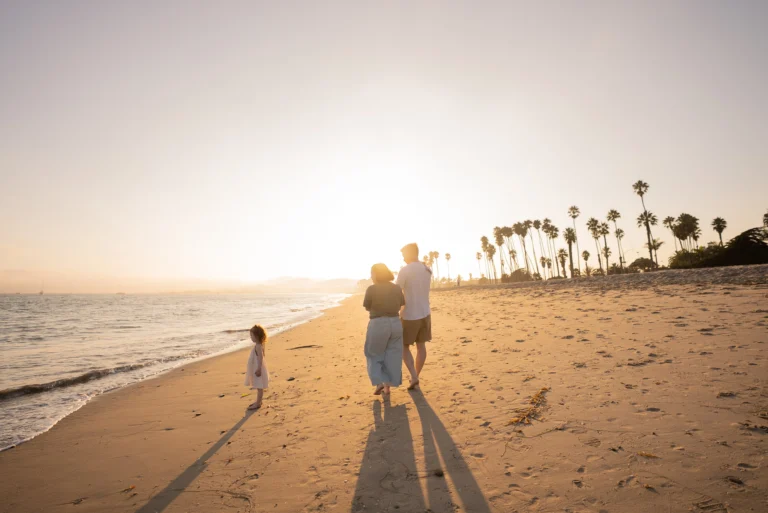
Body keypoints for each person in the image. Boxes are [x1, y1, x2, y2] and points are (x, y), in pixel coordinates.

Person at [363, 263, 405, 395]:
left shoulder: (372, 289)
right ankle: (387, 387)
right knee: (392, 355)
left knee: (374, 354)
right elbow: (401, 303)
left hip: (378, 323)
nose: (370, 276)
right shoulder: (396, 288)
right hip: (395, 323)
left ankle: (379, 383)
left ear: (376, 274)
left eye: (371, 273)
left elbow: (367, 307)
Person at [396, 243, 432, 390]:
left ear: (410, 253)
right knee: (421, 346)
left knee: (403, 346)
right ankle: (415, 376)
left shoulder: (405, 270)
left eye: (404, 254)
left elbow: (397, 291)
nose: (403, 258)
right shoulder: (427, 269)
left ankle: (414, 376)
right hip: (425, 312)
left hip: (409, 314)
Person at [245, 324, 269, 410]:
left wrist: (259, 368)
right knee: (259, 386)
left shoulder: (258, 346)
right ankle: (259, 401)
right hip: (259, 367)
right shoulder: (260, 345)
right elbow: (263, 356)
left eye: (252, 335)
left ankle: (258, 403)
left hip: (258, 369)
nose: (251, 337)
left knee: (259, 387)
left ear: (257, 336)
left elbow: (261, 357)